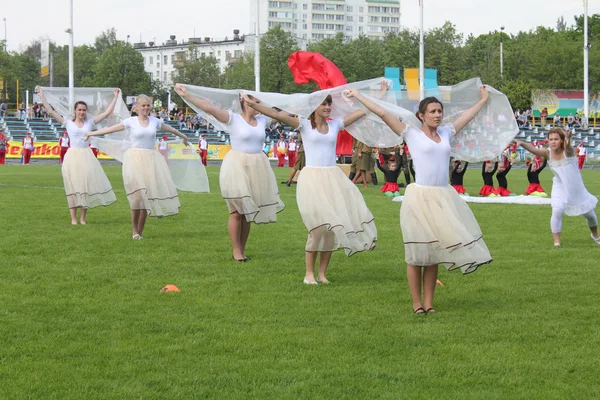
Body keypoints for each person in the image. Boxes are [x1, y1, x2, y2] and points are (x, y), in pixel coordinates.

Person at [346, 86, 492, 314]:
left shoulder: (446, 133)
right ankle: (416, 303)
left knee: (434, 253)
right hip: (419, 198)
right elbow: (383, 113)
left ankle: (430, 303)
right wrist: (358, 96)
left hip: (443, 197)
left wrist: (483, 100)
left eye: (439, 111)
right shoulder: (410, 133)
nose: (437, 115)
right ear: (421, 115)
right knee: (416, 254)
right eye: (432, 111)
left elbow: (467, 116)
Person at [244, 93, 377, 284]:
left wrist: (378, 94)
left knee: (331, 229)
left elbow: (362, 111)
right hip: (312, 181)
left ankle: (322, 274)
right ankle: (309, 274)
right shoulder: (304, 125)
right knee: (316, 229)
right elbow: (278, 115)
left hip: (333, 179)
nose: (327, 107)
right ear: (314, 107)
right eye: (323, 104)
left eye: (329, 104)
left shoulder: (335, 125)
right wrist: (254, 105)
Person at [175, 85, 284, 261]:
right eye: (255, 100)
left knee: (248, 211)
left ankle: (242, 249)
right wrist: (187, 95)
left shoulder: (263, 120)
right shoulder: (233, 118)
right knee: (236, 211)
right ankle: (236, 250)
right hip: (236, 166)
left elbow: (282, 112)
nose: (258, 103)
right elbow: (209, 107)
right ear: (245, 101)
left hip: (257, 166)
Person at [83, 94, 190, 238]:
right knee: (137, 197)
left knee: (146, 197)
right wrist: (91, 133)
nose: (146, 108)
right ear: (137, 107)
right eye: (143, 105)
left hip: (151, 160)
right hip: (134, 160)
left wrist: (183, 136)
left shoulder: (155, 121)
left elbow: (170, 129)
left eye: (148, 105)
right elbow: (111, 129)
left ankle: (140, 231)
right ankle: (134, 230)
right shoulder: (131, 122)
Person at [38, 87, 120, 225]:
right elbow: (51, 111)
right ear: (75, 111)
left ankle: (82, 218)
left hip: (86, 156)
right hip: (72, 157)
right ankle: (73, 219)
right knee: (72, 187)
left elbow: (107, 113)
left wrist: (115, 97)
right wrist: (41, 96)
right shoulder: (68, 122)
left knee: (84, 187)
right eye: (79, 109)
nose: (81, 112)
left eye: (83, 110)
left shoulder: (90, 122)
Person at [516, 128, 599, 246]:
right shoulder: (547, 152)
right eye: (551, 139)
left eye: (556, 139)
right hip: (559, 186)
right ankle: (557, 242)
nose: (553, 142)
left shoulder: (568, 151)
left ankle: (595, 235)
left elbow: (569, 147)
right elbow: (534, 150)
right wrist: (522, 143)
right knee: (557, 210)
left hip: (576, 188)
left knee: (590, 215)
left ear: (561, 140)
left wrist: (568, 138)